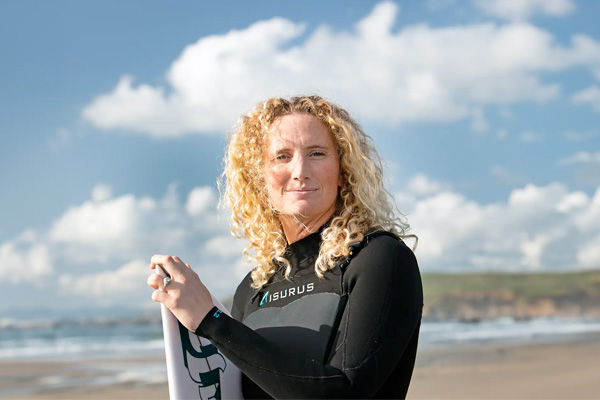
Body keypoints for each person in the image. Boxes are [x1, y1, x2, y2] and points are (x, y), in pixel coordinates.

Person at [147, 95, 423, 399]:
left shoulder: (379, 259)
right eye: (282, 156)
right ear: (260, 179)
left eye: (317, 153)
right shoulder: (252, 289)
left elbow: (344, 393)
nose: (300, 170)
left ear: (343, 172)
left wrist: (210, 321)